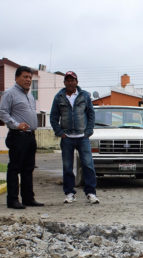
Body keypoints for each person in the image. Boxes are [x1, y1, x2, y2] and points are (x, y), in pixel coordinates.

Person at [50, 71, 99, 204]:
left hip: (83, 137)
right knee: (67, 166)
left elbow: (91, 114)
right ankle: (70, 193)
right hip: (67, 138)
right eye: (68, 80)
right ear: (64, 82)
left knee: (88, 165)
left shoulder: (84, 96)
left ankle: (91, 193)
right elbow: (53, 117)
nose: (70, 82)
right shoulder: (59, 97)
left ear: (77, 82)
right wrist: (60, 133)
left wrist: (88, 131)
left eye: (73, 80)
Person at [0, 66, 44, 209]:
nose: (28, 80)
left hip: (30, 136)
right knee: (15, 168)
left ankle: (28, 198)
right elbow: (3, 113)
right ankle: (12, 200)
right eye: (25, 77)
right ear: (17, 78)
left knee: (28, 168)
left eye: (30, 78)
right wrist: (16, 125)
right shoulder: (10, 94)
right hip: (18, 136)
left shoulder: (30, 96)